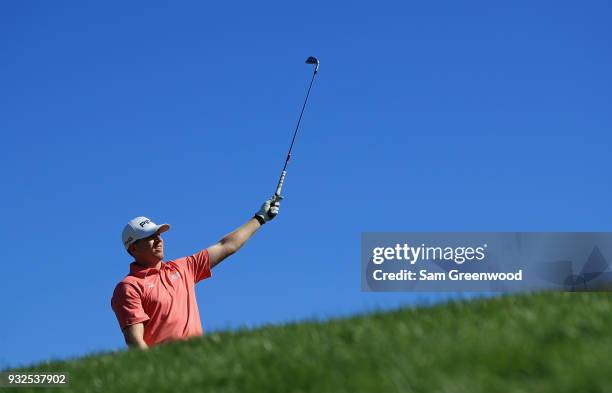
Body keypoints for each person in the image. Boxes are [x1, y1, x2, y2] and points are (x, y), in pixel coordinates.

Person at [111, 198, 280, 349]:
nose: (159, 239)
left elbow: (225, 246)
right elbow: (135, 341)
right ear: (133, 248)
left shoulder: (183, 267)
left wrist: (260, 218)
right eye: (150, 237)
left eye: (158, 234)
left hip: (198, 358)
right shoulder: (128, 287)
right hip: (165, 367)